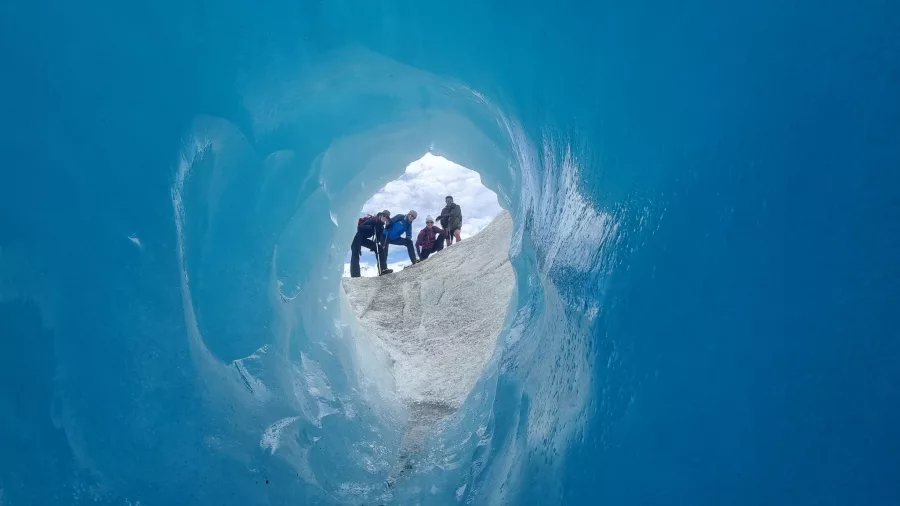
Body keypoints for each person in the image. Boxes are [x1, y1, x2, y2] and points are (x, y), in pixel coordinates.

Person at [349, 210, 390, 277]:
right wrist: (370, 227)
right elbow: (358, 228)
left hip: (363, 239)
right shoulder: (373, 220)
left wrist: (379, 235)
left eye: (387, 217)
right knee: (355, 252)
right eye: (384, 215)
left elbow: (378, 239)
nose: (385, 218)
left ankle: (383, 269)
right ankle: (355, 275)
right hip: (356, 236)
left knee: (379, 248)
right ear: (380, 215)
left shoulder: (381, 227)